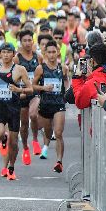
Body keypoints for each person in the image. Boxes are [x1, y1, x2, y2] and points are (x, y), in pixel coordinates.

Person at [0, 43, 34, 180]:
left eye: (9, 52)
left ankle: (11, 167)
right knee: (0, 133)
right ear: (0, 53)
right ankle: (3, 138)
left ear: (13, 54)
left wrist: (19, 90)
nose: (6, 55)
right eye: (3, 52)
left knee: (14, 143)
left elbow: (30, 89)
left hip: (13, 108)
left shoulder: (20, 69)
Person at [32, 40, 69, 172]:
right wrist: (43, 87)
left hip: (59, 104)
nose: (52, 55)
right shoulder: (40, 68)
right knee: (48, 133)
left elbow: (66, 82)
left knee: (58, 133)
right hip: (45, 105)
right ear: (45, 53)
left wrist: (67, 93)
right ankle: (46, 141)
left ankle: (59, 161)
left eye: (54, 52)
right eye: (49, 52)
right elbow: (33, 85)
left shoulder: (63, 68)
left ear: (58, 52)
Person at [15, 29, 41, 164]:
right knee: (24, 124)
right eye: (24, 40)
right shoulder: (17, 58)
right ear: (20, 42)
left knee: (33, 115)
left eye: (29, 40)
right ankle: (25, 147)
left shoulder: (38, 57)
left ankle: (35, 139)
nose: (27, 43)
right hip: (22, 93)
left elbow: (44, 73)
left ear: (33, 41)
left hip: (34, 92)